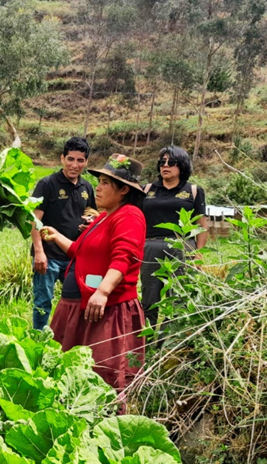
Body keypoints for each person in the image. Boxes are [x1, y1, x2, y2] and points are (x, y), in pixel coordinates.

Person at [42, 154, 146, 395]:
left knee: (102, 375)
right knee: (68, 375)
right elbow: (79, 251)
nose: (97, 188)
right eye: (98, 181)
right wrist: (56, 235)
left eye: (105, 183)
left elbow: (124, 257)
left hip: (106, 311)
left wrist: (102, 291)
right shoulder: (104, 217)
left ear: (123, 190)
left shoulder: (129, 215)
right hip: (80, 309)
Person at [29, 136, 97, 331]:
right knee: (43, 302)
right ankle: (39, 342)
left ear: (86, 162)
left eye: (80, 160)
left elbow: (91, 215)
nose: (74, 165)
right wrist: (39, 252)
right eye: (70, 159)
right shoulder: (47, 184)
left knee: (76, 299)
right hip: (49, 256)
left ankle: (70, 339)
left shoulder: (87, 188)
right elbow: (35, 220)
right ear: (62, 158)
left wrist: (89, 224)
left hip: (74, 255)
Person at [140, 146, 208, 327]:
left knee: (178, 297)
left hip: (182, 247)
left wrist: (198, 255)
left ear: (182, 165)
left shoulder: (193, 190)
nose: (165, 165)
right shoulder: (147, 189)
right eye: (162, 162)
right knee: (149, 296)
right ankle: (147, 342)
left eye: (171, 162)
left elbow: (202, 225)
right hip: (150, 247)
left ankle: (169, 343)